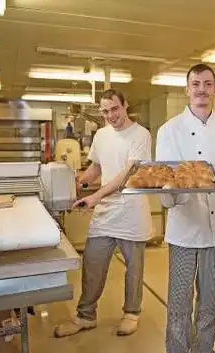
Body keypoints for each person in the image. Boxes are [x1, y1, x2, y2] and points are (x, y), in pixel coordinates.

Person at [155, 63, 215, 353]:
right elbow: (164, 183)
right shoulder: (170, 130)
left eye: (208, 84)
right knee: (179, 301)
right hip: (184, 229)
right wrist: (175, 191)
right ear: (187, 90)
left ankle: (204, 348)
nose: (202, 90)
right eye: (196, 84)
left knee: (209, 300)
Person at [54, 88, 152, 338]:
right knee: (93, 263)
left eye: (115, 109)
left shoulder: (141, 135)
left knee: (134, 268)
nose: (110, 115)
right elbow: (97, 166)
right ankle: (86, 316)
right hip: (106, 213)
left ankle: (131, 313)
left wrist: (95, 196)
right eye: (105, 111)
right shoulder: (101, 135)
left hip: (131, 211)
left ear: (125, 105)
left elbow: (126, 175)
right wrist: (79, 183)